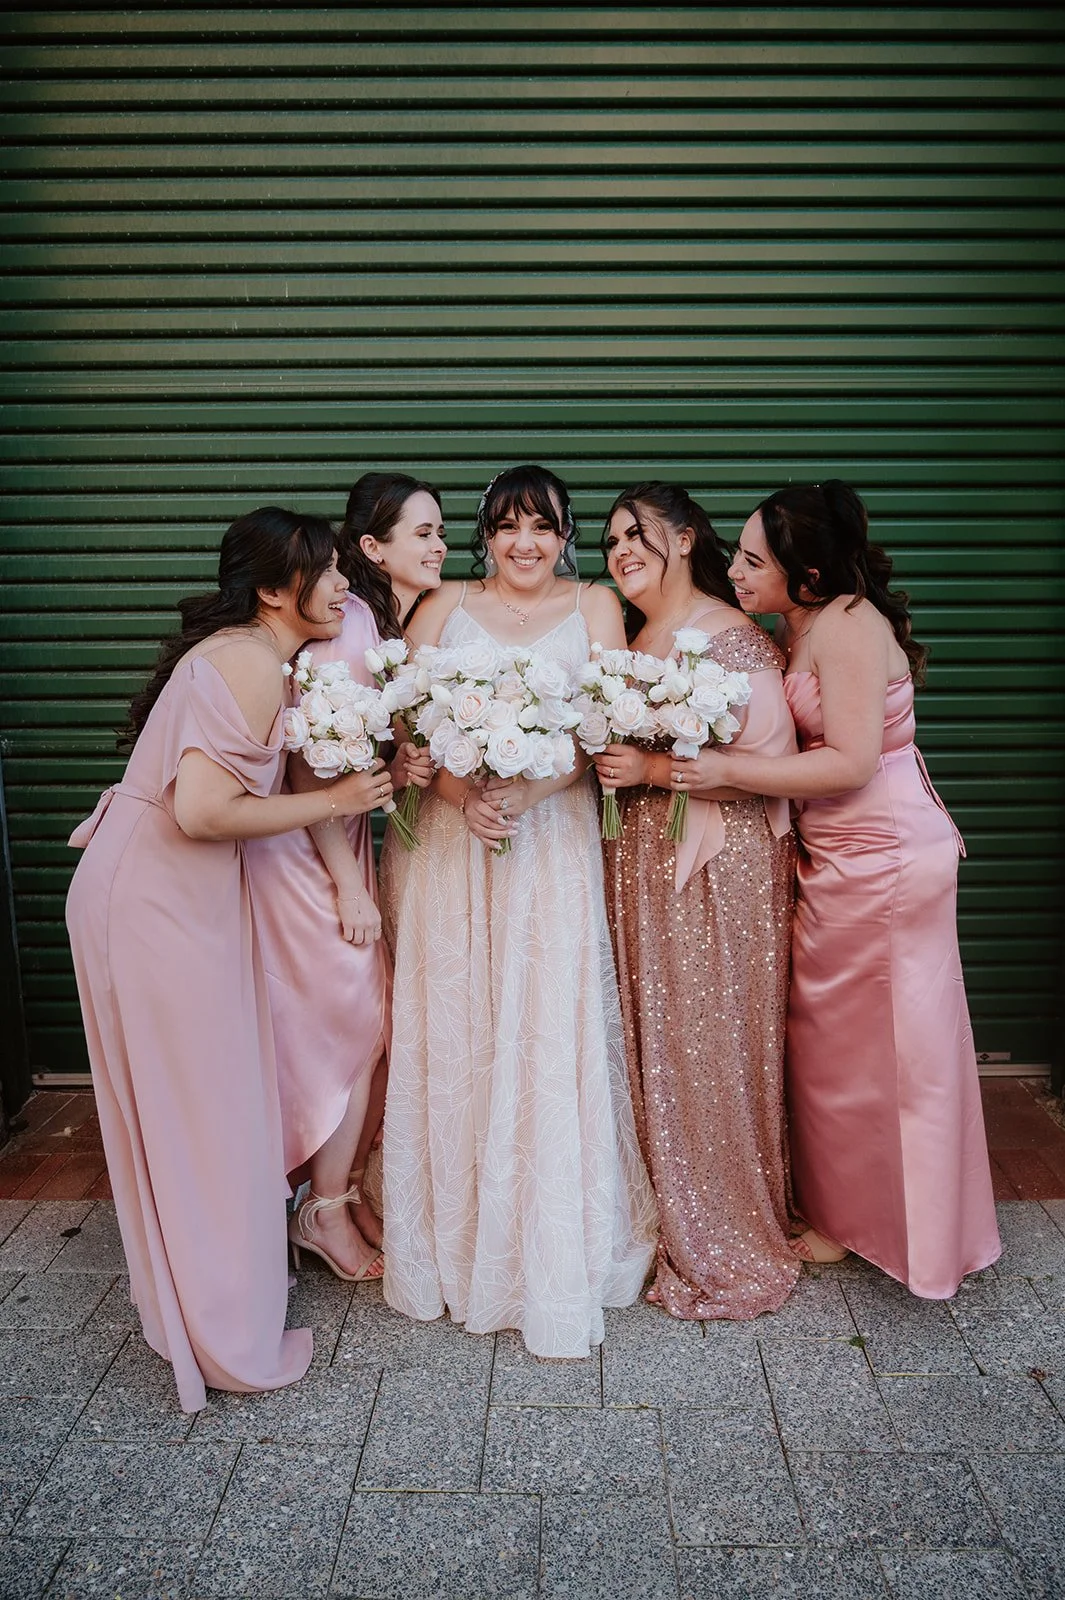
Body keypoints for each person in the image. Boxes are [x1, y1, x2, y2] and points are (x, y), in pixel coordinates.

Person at [65, 508, 393, 1412]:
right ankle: (218, 1332)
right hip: (155, 899)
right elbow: (202, 811)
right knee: (194, 1114)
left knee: (190, 1111)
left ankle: (209, 1316)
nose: (340, 587)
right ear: (272, 590)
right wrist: (341, 799)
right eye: (325, 574)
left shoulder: (257, 658)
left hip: (168, 894)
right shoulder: (249, 662)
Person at [691, 480, 1000, 1298]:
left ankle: (912, 1231)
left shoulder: (849, 629)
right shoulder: (798, 626)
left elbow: (852, 761)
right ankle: (848, 1214)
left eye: (754, 560)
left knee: (898, 1054)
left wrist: (728, 770)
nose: (736, 570)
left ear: (811, 577)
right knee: (837, 1047)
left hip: (886, 856)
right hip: (840, 852)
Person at [380, 464, 657, 1357]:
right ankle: (458, 1246)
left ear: (566, 534)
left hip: (551, 841)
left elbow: (602, 729)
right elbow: (409, 726)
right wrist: (464, 795)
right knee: (461, 1021)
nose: (524, 544)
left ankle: (546, 1244)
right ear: (485, 536)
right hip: (457, 841)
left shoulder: (598, 607)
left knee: (542, 1021)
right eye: (506, 527)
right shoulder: (441, 609)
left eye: (541, 526)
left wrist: (535, 793)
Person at [592, 482, 799, 1319]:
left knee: (705, 1037)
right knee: (655, 1036)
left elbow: (766, 769)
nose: (619, 554)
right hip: (639, 858)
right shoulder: (629, 635)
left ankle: (718, 1223)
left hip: (717, 869)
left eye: (633, 536)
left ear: (681, 539)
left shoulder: (730, 635)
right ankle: (656, 1208)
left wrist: (650, 771)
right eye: (607, 543)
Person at [246, 472, 446, 1277]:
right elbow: (308, 767)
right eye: (423, 532)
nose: (440, 546)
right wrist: (351, 885)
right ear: (373, 547)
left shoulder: (378, 618)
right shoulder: (351, 626)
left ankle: (329, 1197)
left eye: (441, 531)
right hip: (308, 859)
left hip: (331, 846)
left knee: (356, 1025)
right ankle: (321, 1213)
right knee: (354, 1025)